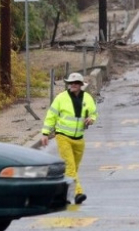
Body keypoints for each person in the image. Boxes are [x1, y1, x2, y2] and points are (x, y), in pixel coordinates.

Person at [41, 72, 97, 205]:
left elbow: (93, 112)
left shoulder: (87, 98)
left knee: (73, 169)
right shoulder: (61, 98)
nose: (73, 85)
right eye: (71, 83)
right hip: (63, 136)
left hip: (79, 139)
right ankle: (78, 193)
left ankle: (61, 194)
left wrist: (91, 119)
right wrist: (45, 133)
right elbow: (51, 115)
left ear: (80, 85)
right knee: (70, 167)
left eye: (76, 83)